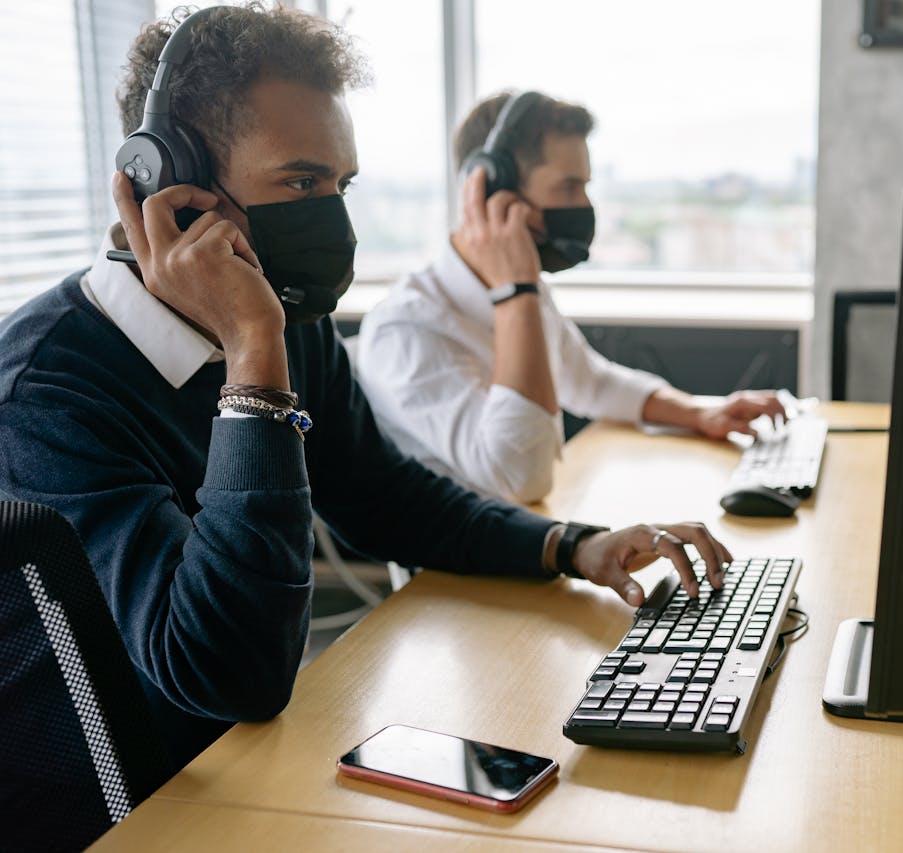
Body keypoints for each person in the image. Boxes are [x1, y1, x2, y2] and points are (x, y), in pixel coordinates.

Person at [0, 4, 729, 775]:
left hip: (260, 763)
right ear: (170, 185)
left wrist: (573, 544)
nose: (333, 217)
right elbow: (229, 671)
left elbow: (384, 496)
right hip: (150, 803)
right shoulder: (45, 397)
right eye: (302, 180)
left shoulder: (284, 315)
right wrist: (254, 358)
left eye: (341, 182)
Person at [356, 91, 788, 504]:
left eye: (585, 187)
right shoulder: (407, 329)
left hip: (534, 536)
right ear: (488, 187)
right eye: (567, 188)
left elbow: (589, 381)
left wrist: (698, 413)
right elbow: (520, 477)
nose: (583, 205)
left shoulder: (524, 289)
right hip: (455, 573)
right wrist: (515, 293)